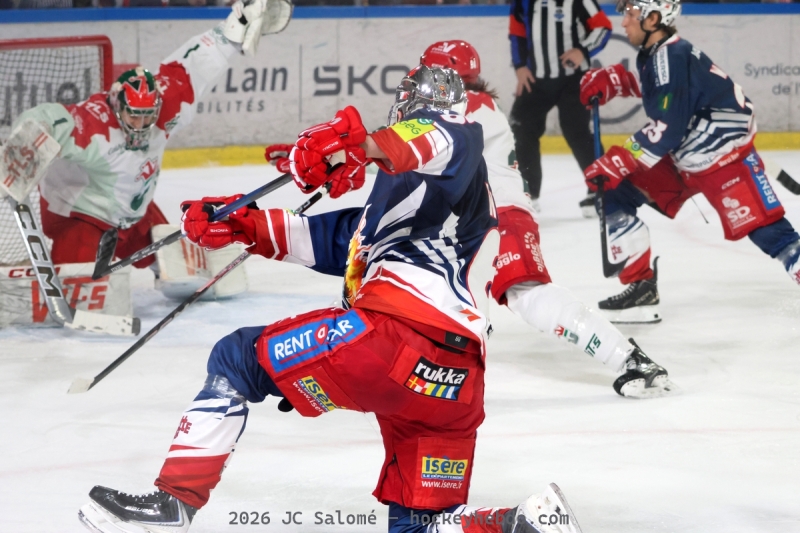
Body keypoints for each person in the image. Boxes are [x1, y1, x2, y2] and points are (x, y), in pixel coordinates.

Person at [77, 66, 582, 533]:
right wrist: (238, 222)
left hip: (395, 341)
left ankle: (174, 502)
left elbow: (433, 137)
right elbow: (326, 240)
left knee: (235, 358)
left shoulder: (458, 137)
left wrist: (358, 146)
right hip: (453, 382)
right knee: (423, 526)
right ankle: (527, 522)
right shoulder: (411, 206)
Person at [418, 40, 671, 398]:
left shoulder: (467, 107)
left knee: (528, 295)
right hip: (472, 222)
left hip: (497, 217)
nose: (422, 85)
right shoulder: (470, 105)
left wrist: (364, 151)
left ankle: (627, 358)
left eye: (430, 76)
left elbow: (422, 154)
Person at [11, 0, 287, 272]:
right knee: (81, 289)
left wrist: (233, 31)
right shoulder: (97, 123)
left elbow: (192, 66)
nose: (142, 123)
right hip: (81, 217)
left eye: (148, 114)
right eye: (134, 115)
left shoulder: (168, 107)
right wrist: (25, 145)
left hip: (133, 215)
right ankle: (62, 269)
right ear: (118, 105)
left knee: (184, 271)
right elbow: (51, 118)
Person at [579, 0, 800, 323]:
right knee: (616, 195)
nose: (622, 21)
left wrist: (621, 158)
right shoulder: (660, 53)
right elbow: (669, 93)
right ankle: (641, 291)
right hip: (685, 155)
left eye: (629, 14)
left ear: (653, 19)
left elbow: (668, 126)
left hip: (724, 158)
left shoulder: (671, 56)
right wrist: (622, 82)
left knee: (774, 237)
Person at [508, 0, 612, 216]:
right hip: (535, 79)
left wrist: (583, 50)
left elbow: (602, 27)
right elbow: (517, 31)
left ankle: (602, 190)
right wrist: (519, 67)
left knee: (577, 130)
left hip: (573, 79)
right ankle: (527, 193)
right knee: (521, 129)